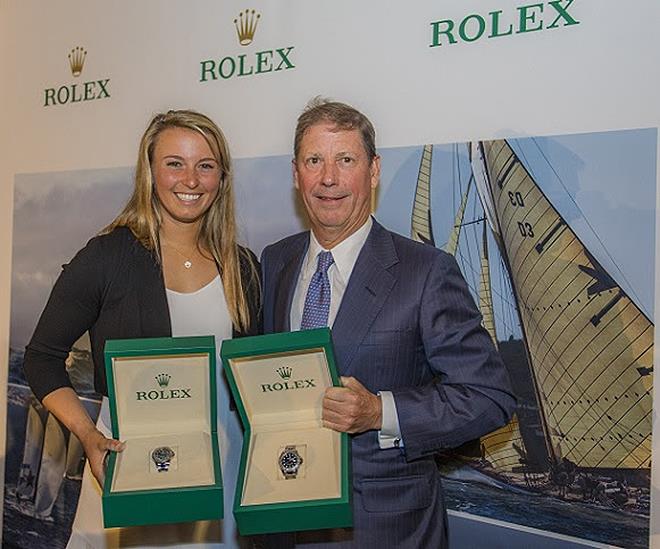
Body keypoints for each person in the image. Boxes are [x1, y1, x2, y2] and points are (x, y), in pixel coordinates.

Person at [260, 98, 516, 547]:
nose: (329, 178)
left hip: (383, 530)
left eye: (346, 160)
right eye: (314, 160)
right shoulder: (275, 261)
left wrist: (380, 412)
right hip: (283, 520)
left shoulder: (426, 271)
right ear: (296, 173)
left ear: (373, 171)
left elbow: (490, 396)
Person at [23, 109, 260, 548]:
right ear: (150, 171)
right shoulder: (106, 257)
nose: (190, 180)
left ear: (221, 179)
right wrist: (89, 434)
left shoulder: (242, 267)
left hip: (220, 472)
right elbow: (41, 357)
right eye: (175, 163)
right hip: (126, 465)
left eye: (205, 165)